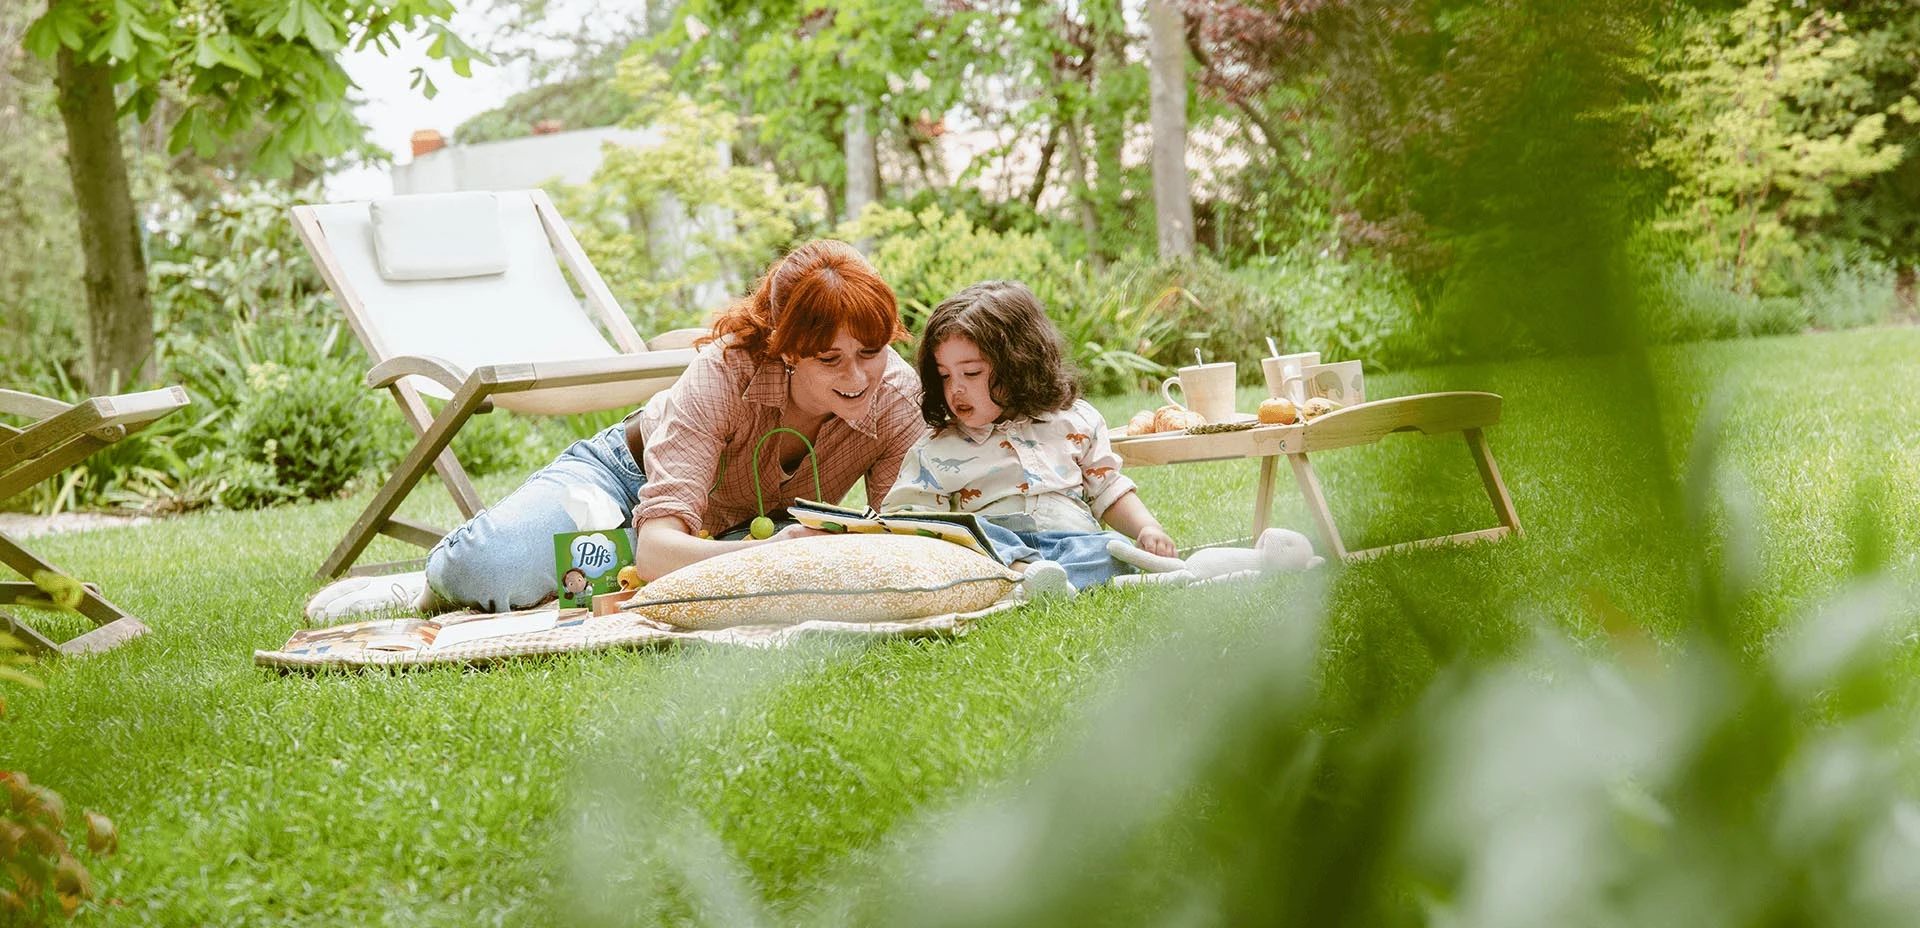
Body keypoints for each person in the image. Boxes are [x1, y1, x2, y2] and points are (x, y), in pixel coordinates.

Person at [306, 240, 926, 617]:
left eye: (870, 352)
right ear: (787, 349)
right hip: (626, 483)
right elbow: (657, 543)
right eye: (830, 359)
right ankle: (429, 583)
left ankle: (575, 571)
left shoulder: (895, 393)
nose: (858, 376)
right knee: (491, 569)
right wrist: (760, 557)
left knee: (596, 571)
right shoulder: (723, 373)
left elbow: (908, 530)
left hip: (743, 527)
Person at [880, 279, 1176, 597]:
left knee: (1105, 549)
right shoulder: (936, 449)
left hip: (1072, 543)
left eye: (971, 373)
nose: (956, 389)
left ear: (1019, 365)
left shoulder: (1076, 421)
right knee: (974, 540)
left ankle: (1126, 573)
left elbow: (1109, 490)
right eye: (944, 375)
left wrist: (1147, 528)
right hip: (996, 551)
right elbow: (907, 519)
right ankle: (1025, 579)